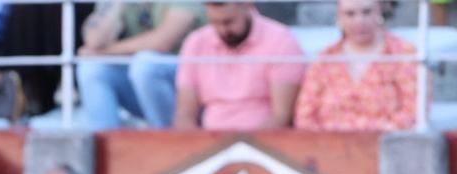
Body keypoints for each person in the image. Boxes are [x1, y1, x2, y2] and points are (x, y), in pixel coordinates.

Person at [173, 2, 304, 130]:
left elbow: (281, 116)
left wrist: (244, 142)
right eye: (215, 22)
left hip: (264, 138)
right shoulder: (196, 43)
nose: (223, 30)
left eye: (229, 22)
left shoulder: (281, 40)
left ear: (247, 5)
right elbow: (185, 113)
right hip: (210, 137)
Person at [294, 0, 418, 131]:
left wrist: (373, 133)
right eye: (350, 14)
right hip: (328, 141)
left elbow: (413, 111)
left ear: (379, 11)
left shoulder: (402, 53)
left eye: (367, 12)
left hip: (386, 140)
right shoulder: (324, 59)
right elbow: (304, 116)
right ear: (339, 17)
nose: (359, 21)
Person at [75, 1, 202, 129]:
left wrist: (104, 52)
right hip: (143, 82)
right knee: (92, 68)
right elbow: (94, 40)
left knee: (146, 65)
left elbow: (162, 42)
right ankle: (103, 138)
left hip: (193, 88)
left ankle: (167, 137)